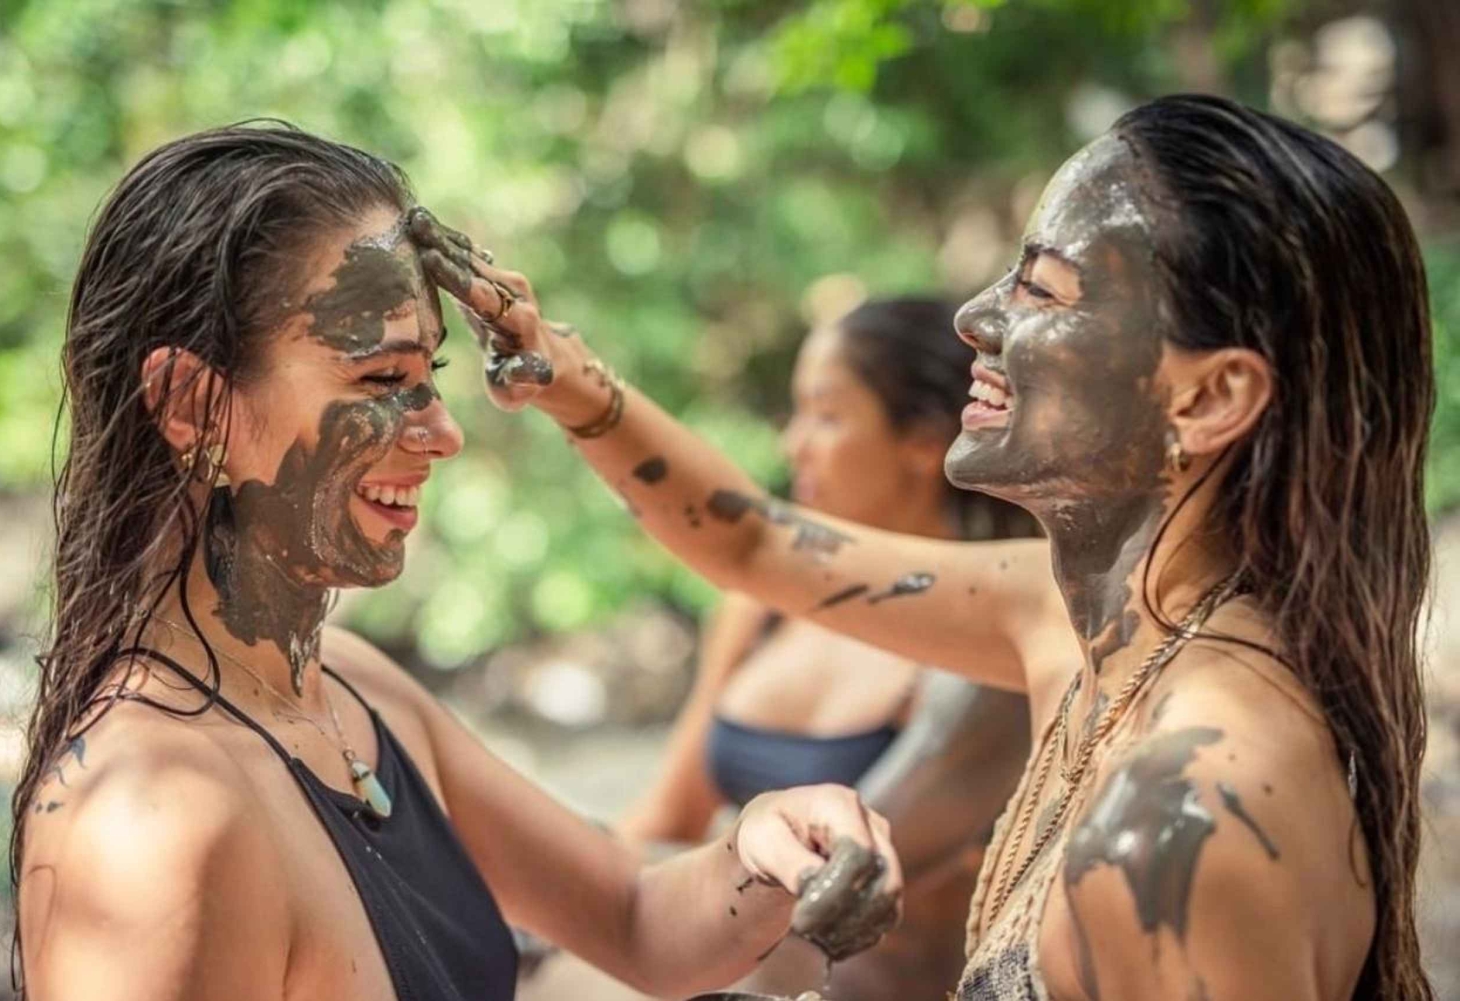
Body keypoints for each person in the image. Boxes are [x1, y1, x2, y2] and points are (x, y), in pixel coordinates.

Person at [416, 92, 1434, 999]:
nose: (975, 316)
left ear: (1209, 396)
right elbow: (763, 545)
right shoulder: (1082, 619)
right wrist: (563, 375)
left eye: (1042, 288)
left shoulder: (1186, 815)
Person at [10, 123, 902, 1001]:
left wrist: (766, 842)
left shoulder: (353, 688)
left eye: (429, 375)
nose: (444, 432)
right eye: (378, 381)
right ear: (193, 406)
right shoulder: (148, 819)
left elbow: (635, 916)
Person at [614, 298, 1039, 999]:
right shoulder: (758, 607)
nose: (794, 443)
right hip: (720, 969)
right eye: (796, 412)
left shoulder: (988, 648)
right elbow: (670, 816)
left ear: (922, 444)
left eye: (827, 414)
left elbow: (833, 885)